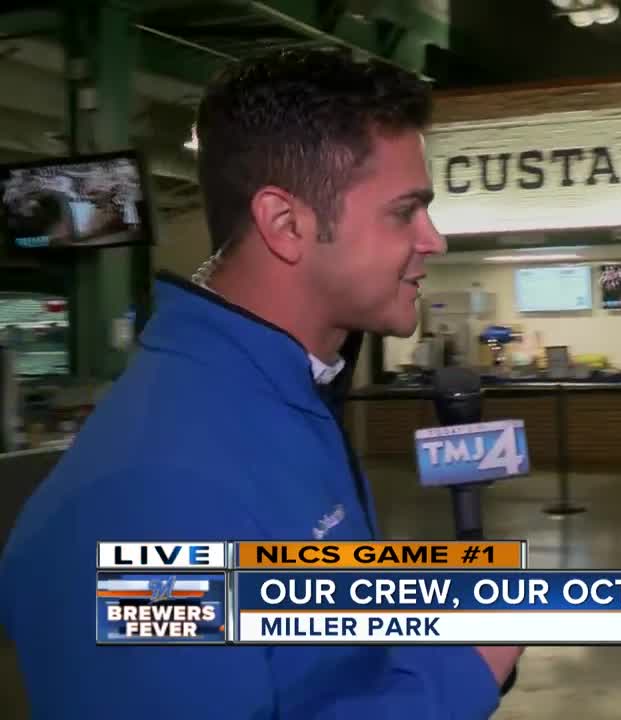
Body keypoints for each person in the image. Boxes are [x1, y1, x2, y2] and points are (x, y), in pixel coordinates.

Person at [0, 48, 521, 718]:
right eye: (405, 211)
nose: (434, 239)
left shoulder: (289, 396)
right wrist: (462, 672)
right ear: (286, 223)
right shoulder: (154, 496)